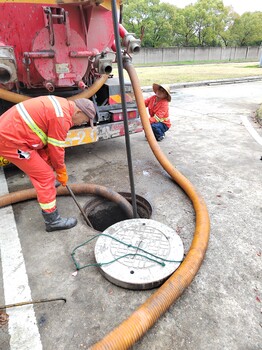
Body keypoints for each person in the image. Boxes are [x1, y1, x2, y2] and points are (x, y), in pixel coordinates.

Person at [0, 95, 96, 232]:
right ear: (78, 112)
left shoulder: (63, 105)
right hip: (11, 140)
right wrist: (61, 171)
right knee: (45, 176)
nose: (81, 123)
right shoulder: (62, 118)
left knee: (44, 165)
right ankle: (53, 221)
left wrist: (51, 164)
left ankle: (48, 188)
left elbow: (48, 144)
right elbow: (57, 150)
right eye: (84, 120)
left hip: (17, 132)